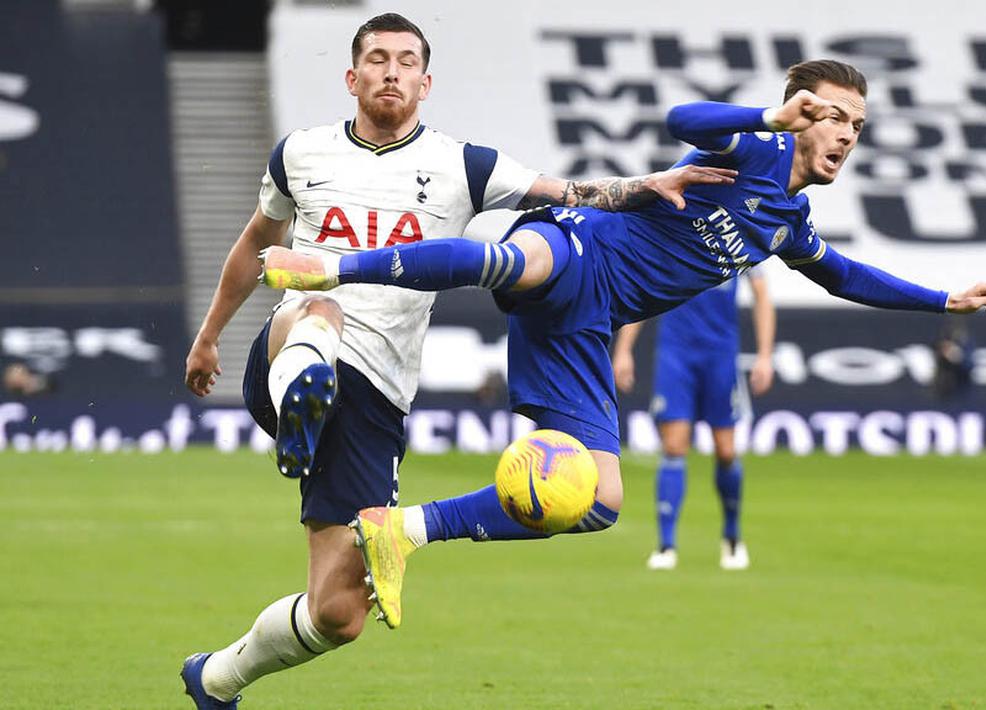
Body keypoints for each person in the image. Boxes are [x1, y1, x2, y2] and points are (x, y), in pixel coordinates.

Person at [260, 58, 986, 638]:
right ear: (800, 114)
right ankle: (331, 268)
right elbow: (682, 117)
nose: (845, 134)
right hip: (581, 246)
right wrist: (767, 115)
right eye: (833, 115)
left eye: (856, 125)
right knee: (513, 262)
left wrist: (944, 300)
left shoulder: (788, 222)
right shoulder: (753, 151)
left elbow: (844, 276)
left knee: (599, 502)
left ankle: (401, 530)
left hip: (587, 324)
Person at [179, 13, 734, 709]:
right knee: (321, 307)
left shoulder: (462, 166)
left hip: (375, 398)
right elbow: (254, 244)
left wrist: (646, 183)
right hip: (291, 349)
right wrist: (209, 336)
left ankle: (217, 677)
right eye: (377, 58)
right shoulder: (300, 153)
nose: (391, 71)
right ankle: (301, 405)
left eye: (405, 61)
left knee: (337, 613)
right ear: (351, 77)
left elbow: (571, 194)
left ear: (425, 82)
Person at [610, 270, 775, 571]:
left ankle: (732, 536)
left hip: (721, 355)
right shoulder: (669, 244)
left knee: (726, 450)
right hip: (676, 354)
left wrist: (765, 355)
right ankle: (666, 545)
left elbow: (761, 293)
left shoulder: (739, 244)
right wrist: (623, 350)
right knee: (674, 446)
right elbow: (642, 290)